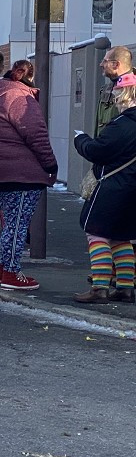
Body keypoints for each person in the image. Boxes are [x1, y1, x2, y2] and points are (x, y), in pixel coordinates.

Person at [0, 60, 57, 290]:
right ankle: (12, 273)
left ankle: (4, 270)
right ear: (28, 76)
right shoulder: (20, 97)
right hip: (22, 172)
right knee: (18, 224)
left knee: (10, 223)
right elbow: (36, 135)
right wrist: (50, 165)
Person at [73, 72, 136, 305]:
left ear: (124, 95)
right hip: (132, 188)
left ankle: (100, 287)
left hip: (113, 187)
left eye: (117, 93)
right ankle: (126, 287)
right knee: (121, 238)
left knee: (97, 234)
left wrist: (81, 140)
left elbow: (98, 150)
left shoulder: (122, 125)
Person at [95, 46, 133, 137]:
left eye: (105, 61)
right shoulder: (106, 89)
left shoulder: (132, 89)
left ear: (116, 64)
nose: (101, 64)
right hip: (104, 147)